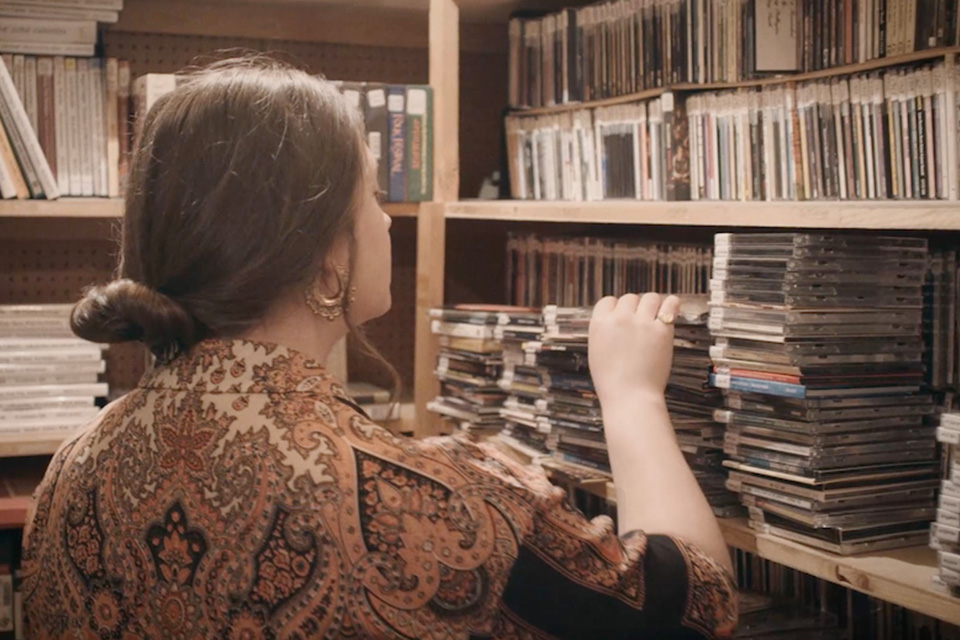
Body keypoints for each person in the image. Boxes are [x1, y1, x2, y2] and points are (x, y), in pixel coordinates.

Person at [20, 58, 737, 639]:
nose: (388, 222)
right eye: (372, 194)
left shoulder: (71, 472)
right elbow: (697, 606)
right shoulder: (429, 509)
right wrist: (634, 396)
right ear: (328, 254)